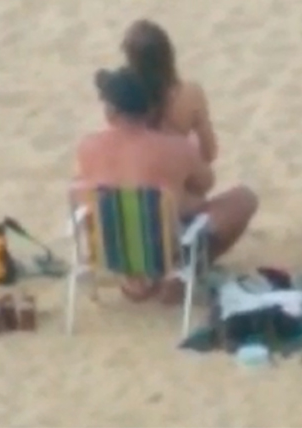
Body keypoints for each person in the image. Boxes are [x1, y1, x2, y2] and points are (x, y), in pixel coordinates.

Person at [74, 67, 258, 303]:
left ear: (110, 110)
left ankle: (132, 280)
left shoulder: (87, 147)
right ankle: (180, 278)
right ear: (150, 109)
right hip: (162, 252)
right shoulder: (176, 148)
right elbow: (205, 183)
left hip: (110, 253)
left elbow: (80, 193)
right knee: (244, 199)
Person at [121, 19, 218, 164]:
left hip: (134, 178)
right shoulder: (191, 94)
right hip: (175, 176)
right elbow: (209, 152)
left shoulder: (121, 98)